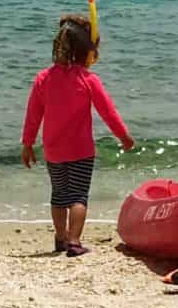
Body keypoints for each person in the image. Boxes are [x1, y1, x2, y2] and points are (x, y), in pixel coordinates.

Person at [20, 14, 134, 256]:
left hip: (53, 150)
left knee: (59, 195)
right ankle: (74, 241)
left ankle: (60, 238)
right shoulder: (88, 80)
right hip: (81, 150)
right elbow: (108, 112)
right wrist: (123, 136)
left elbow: (33, 115)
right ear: (87, 52)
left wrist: (27, 143)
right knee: (79, 196)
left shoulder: (43, 79)